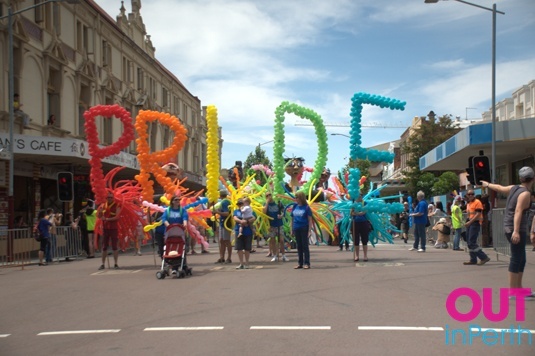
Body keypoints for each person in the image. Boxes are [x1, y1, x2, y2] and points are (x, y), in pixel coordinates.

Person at [482, 167, 534, 296]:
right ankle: (513, 291)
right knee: (517, 258)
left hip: (511, 226)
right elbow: (518, 211)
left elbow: (499, 187)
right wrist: (516, 231)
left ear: (521, 178)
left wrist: (487, 184)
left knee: (521, 258)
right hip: (515, 228)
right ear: (533, 178)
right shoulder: (525, 193)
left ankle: (519, 288)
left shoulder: (514, 188)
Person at [161, 195, 189, 274]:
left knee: (182, 249)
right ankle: (170, 266)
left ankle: (183, 265)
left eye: (178, 200)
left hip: (180, 232)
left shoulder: (182, 210)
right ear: (172, 201)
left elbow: (185, 218)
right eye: (176, 200)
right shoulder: (168, 210)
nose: (177, 201)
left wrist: (185, 224)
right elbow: (164, 219)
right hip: (170, 233)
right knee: (169, 249)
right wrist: (168, 226)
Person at [462, 189, 490, 266]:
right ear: (467, 195)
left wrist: (469, 222)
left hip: (475, 223)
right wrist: (467, 221)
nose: (471, 195)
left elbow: (478, 214)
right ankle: (473, 259)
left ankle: (484, 257)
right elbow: (469, 214)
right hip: (470, 223)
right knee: (469, 242)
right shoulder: (469, 203)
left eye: (472, 194)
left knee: (471, 242)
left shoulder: (477, 202)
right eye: (469, 194)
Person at [97, 192, 122, 270]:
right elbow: (99, 216)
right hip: (105, 228)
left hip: (113, 228)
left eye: (111, 197)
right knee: (104, 246)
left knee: (114, 246)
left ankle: (115, 263)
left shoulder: (117, 205)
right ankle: (102, 264)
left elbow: (117, 217)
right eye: (108, 197)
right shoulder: (103, 205)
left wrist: (107, 219)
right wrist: (100, 212)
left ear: (113, 198)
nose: (109, 199)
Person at [291, 191, 313, 269]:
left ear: (301, 198)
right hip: (296, 227)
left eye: (297, 197)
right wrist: (292, 229)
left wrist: (309, 230)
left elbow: (310, 219)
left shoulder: (306, 207)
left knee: (305, 246)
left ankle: (307, 263)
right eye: (295, 197)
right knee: (299, 246)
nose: (296, 199)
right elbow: (292, 218)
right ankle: (300, 263)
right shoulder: (295, 206)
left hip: (304, 228)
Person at [263, 192, 288, 262]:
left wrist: (281, 215)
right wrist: (267, 203)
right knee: (273, 241)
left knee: (282, 241)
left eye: (269, 195)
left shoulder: (278, 203)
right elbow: (264, 212)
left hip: (279, 224)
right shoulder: (265, 204)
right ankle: (275, 255)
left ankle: (283, 255)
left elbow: (283, 211)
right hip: (271, 225)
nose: (269, 196)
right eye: (267, 195)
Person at [233, 198, 255, 269]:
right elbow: (235, 218)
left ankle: (247, 263)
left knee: (247, 249)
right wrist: (241, 221)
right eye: (238, 204)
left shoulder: (249, 210)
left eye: (241, 203)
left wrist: (247, 221)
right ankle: (241, 263)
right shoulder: (236, 211)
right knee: (239, 248)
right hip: (238, 231)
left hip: (248, 231)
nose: (240, 205)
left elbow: (253, 218)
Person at [213, 190, 232, 264]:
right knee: (221, 240)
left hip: (225, 223)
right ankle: (222, 257)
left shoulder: (225, 202)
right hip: (222, 223)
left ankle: (228, 258)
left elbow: (227, 213)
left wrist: (218, 212)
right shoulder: (223, 202)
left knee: (226, 240)